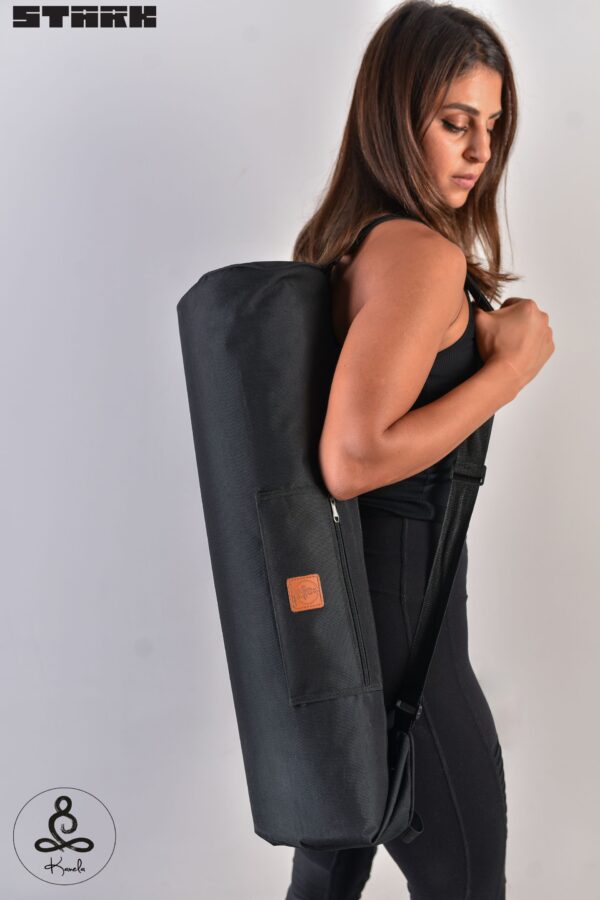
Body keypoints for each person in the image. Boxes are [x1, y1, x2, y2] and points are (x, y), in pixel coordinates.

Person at [288, 2, 554, 898]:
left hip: (344, 631)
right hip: (410, 646)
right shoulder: (419, 256)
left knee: (324, 887)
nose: (480, 151)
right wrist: (508, 369)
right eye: (454, 122)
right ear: (395, 119)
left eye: (493, 125)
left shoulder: (349, 247)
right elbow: (353, 459)